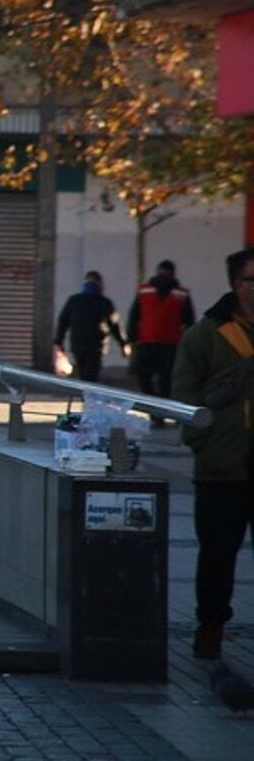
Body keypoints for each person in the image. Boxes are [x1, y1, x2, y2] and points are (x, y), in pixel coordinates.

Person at [174, 247, 254, 660]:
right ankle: (211, 627)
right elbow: (183, 397)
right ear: (236, 284)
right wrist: (204, 443)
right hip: (222, 468)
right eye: (252, 280)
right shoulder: (206, 334)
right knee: (218, 556)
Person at [129, 260, 197, 426]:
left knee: (165, 381)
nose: (163, 276)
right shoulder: (145, 291)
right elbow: (134, 315)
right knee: (145, 378)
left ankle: (161, 413)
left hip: (169, 344)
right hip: (149, 342)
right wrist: (132, 339)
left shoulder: (181, 294)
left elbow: (189, 320)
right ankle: (155, 412)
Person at [54, 270, 127, 383]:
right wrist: (122, 343)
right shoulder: (104, 302)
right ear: (100, 284)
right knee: (91, 376)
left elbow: (63, 322)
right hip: (95, 346)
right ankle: (88, 392)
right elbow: (114, 325)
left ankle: (85, 391)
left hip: (78, 344)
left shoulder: (74, 301)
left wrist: (59, 342)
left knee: (83, 374)